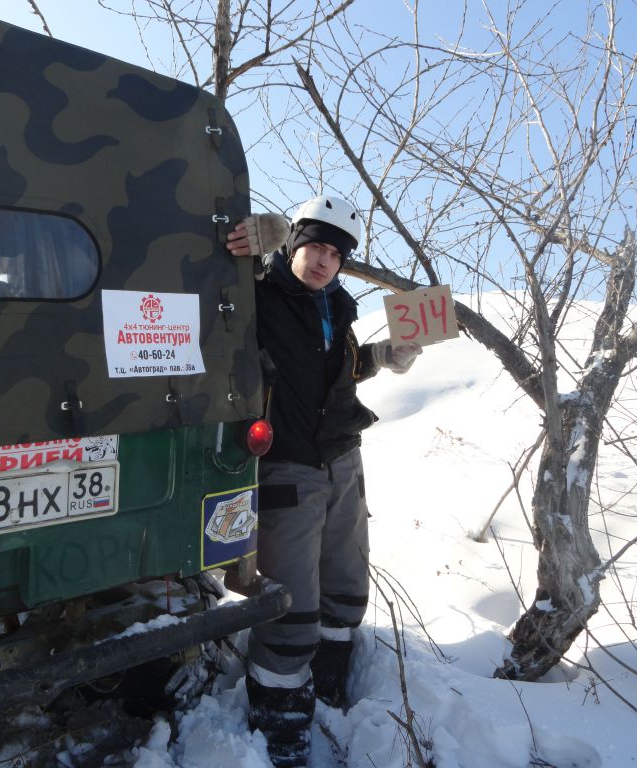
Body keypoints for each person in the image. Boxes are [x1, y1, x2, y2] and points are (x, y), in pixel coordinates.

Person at [226, 196, 422, 767]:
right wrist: (253, 239)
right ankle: (281, 723)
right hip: (286, 466)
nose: (324, 261)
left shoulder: (337, 304)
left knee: (344, 586)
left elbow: (343, 368)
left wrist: (389, 354)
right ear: (293, 243)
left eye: (336, 255)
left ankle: (329, 683)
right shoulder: (258, 294)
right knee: (290, 602)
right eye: (314, 246)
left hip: (342, 460)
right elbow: (209, 271)